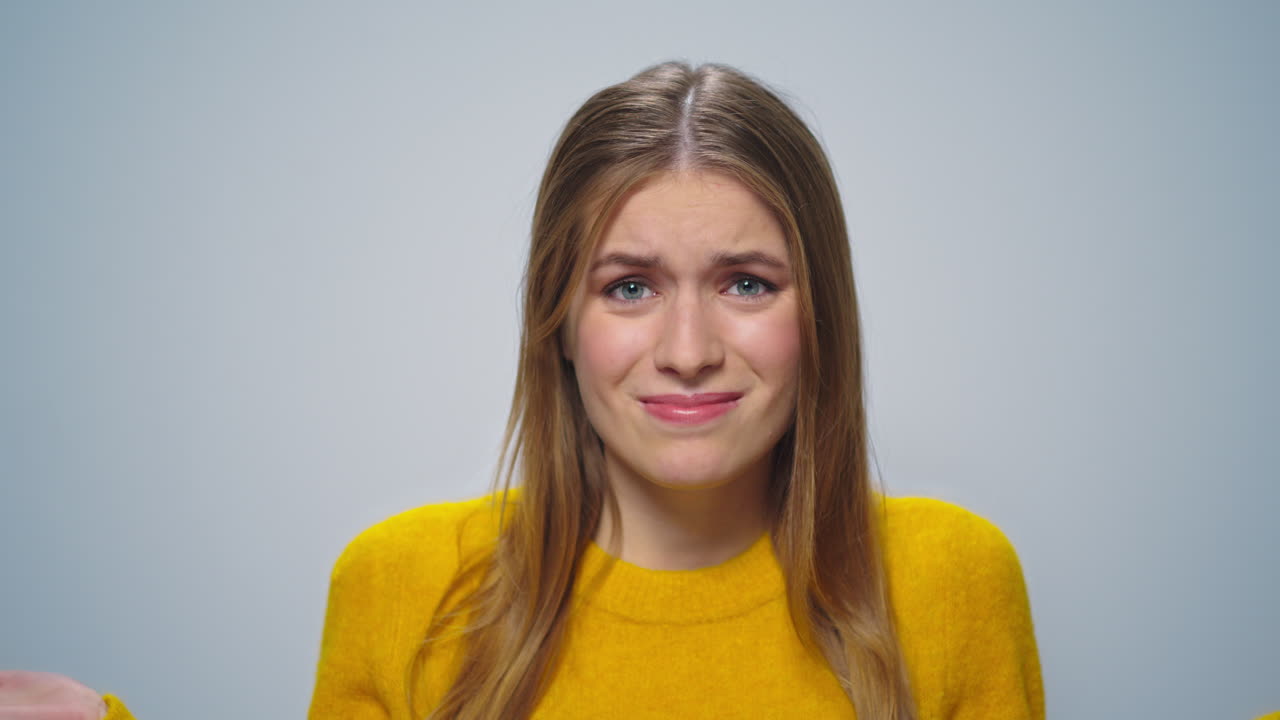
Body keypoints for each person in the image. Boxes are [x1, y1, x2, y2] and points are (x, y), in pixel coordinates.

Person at [2, 61, 1043, 720]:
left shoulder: (948, 585)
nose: (687, 348)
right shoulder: (403, 588)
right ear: (559, 320)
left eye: (744, 283)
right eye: (628, 286)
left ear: (819, 314)